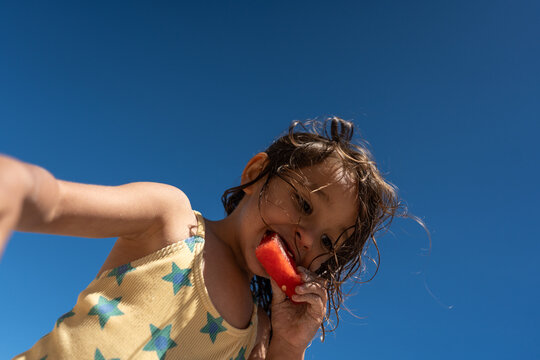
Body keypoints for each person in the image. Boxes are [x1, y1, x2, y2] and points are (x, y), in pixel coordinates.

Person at [1, 117, 408, 359]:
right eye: (303, 204)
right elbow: (49, 202)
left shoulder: (261, 333)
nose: (307, 239)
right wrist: (17, 186)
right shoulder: (169, 220)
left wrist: (289, 345)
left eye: (328, 244)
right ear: (255, 175)